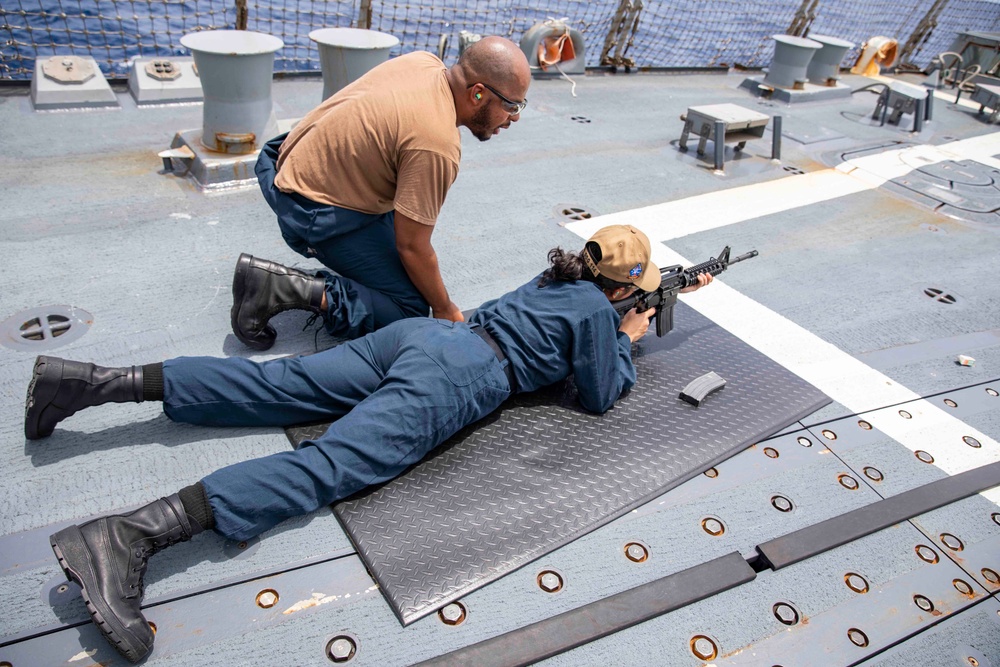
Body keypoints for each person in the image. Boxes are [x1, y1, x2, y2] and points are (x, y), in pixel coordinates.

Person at [25, 225, 712, 663]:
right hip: (461, 376)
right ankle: (125, 535)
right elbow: (597, 394)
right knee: (327, 467)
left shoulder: (558, 276)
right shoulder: (599, 309)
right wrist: (627, 340)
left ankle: (92, 382)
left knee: (278, 384)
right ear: (624, 287)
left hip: (427, 336)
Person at [234, 36, 531, 351]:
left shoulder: (424, 61)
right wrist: (444, 308)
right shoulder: (436, 145)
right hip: (308, 208)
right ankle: (279, 287)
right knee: (409, 308)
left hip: (284, 159)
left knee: (410, 274)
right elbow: (412, 247)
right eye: (511, 105)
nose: (515, 117)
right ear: (478, 93)